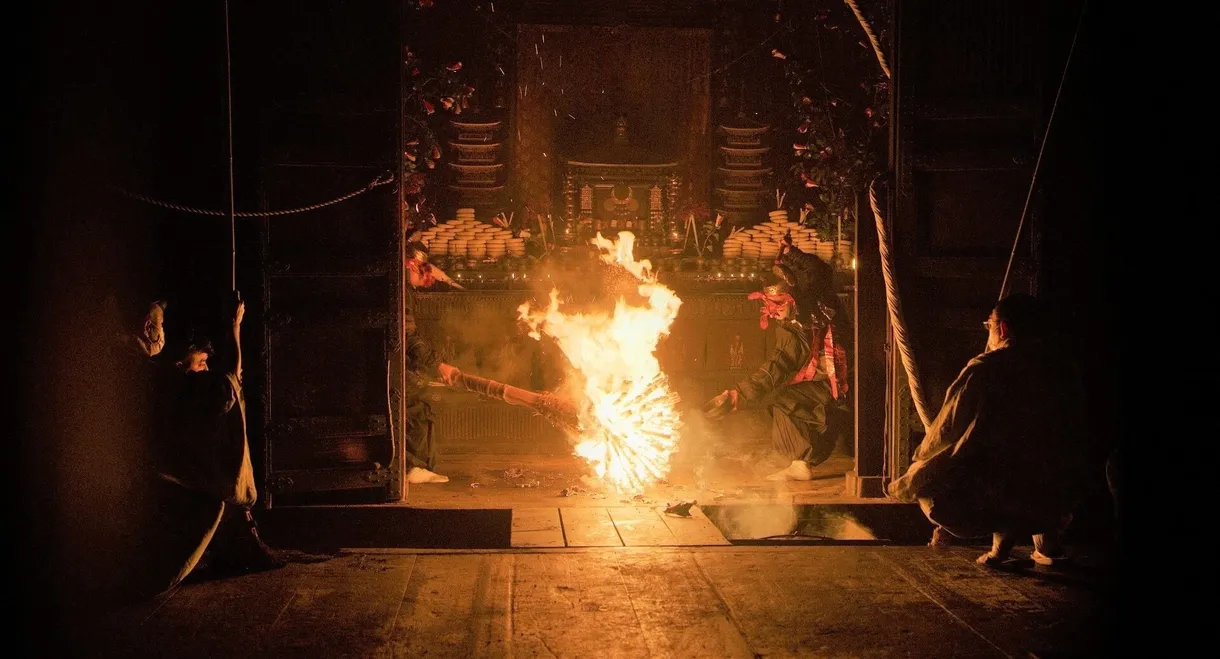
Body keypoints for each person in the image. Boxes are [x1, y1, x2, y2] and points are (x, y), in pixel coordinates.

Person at [887, 293, 1088, 567]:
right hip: (1058, 493)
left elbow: (945, 431)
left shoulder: (985, 369)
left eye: (989, 324)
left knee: (928, 489)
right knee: (1034, 471)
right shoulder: (1063, 370)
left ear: (1002, 328)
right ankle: (1045, 545)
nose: (989, 330)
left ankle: (1012, 542)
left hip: (1004, 489)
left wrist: (921, 457)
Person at [150, 291, 285, 589]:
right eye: (200, 363)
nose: (205, 371)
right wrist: (234, 328)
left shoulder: (182, 388)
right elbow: (228, 385)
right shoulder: (177, 389)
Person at [704, 272, 839, 481]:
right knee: (782, 397)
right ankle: (798, 460)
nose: (772, 310)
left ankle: (800, 462)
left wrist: (738, 394)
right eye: (768, 303)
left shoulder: (801, 327)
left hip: (838, 385)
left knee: (782, 398)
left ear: (793, 299)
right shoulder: (802, 318)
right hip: (827, 382)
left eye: (778, 302)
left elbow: (778, 364)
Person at [403, 306, 461, 484]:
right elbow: (408, 339)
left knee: (423, 409)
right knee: (417, 410)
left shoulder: (408, 292)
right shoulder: (400, 290)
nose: (430, 279)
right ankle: (413, 468)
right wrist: (438, 365)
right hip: (393, 373)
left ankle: (422, 468)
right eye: (425, 274)